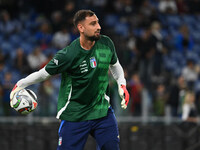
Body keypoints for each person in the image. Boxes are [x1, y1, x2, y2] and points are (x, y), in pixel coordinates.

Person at [10, 10, 130, 150]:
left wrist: (122, 84)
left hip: (102, 111)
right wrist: (20, 84)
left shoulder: (106, 43)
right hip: (75, 114)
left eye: (97, 22)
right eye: (93, 24)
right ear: (81, 28)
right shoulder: (68, 55)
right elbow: (43, 74)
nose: (99, 26)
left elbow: (115, 66)